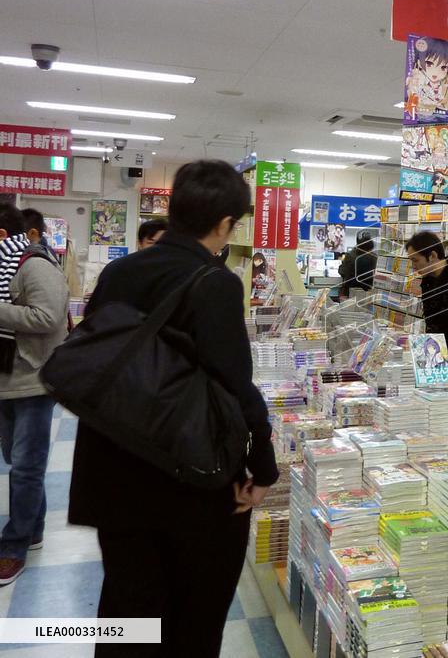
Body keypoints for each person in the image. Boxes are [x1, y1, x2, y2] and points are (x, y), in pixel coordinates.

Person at [68, 160, 279, 658]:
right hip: (189, 478)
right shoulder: (216, 282)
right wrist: (264, 465)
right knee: (193, 618)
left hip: (112, 469)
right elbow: (234, 385)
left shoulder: (119, 271)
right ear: (226, 223)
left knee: (127, 611)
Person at [0, 203, 69, 586]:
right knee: (15, 459)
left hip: (33, 379)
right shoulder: (4, 267)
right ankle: (35, 527)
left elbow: (48, 318)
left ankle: (14, 546)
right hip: (7, 379)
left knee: (25, 466)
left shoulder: (35, 265)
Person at [339, 231, 375, 298]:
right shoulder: (374, 257)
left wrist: (341, 265)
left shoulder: (350, 255)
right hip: (368, 293)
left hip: (351, 292)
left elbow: (343, 272)